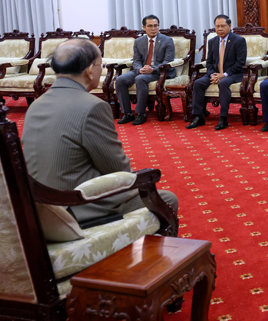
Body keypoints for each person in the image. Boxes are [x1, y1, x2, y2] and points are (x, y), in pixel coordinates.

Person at [22, 39, 178, 225]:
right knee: (166, 199)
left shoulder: (36, 105)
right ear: (90, 70)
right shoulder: (92, 106)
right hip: (74, 207)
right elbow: (118, 170)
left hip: (36, 206)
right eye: (101, 65)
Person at [187, 14, 247, 131]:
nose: (220, 29)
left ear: (229, 26)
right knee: (198, 83)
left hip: (233, 74)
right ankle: (198, 117)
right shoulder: (212, 41)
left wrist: (223, 75)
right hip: (215, 73)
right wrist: (212, 75)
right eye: (217, 26)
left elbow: (240, 63)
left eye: (223, 26)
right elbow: (209, 62)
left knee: (223, 83)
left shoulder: (239, 41)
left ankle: (223, 118)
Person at [116, 14, 175, 126]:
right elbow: (136, 60)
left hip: (160, 71)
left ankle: (141, 114)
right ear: (144, 27)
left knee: (140, 79)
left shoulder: (167, 41)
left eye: (156, 25)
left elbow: (168, 61)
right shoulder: (138, 41)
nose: (153, 28)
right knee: (120, 80)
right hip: (142, 70)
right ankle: (127, 113)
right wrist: (140, 69)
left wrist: (153, 69)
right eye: (150, 26)